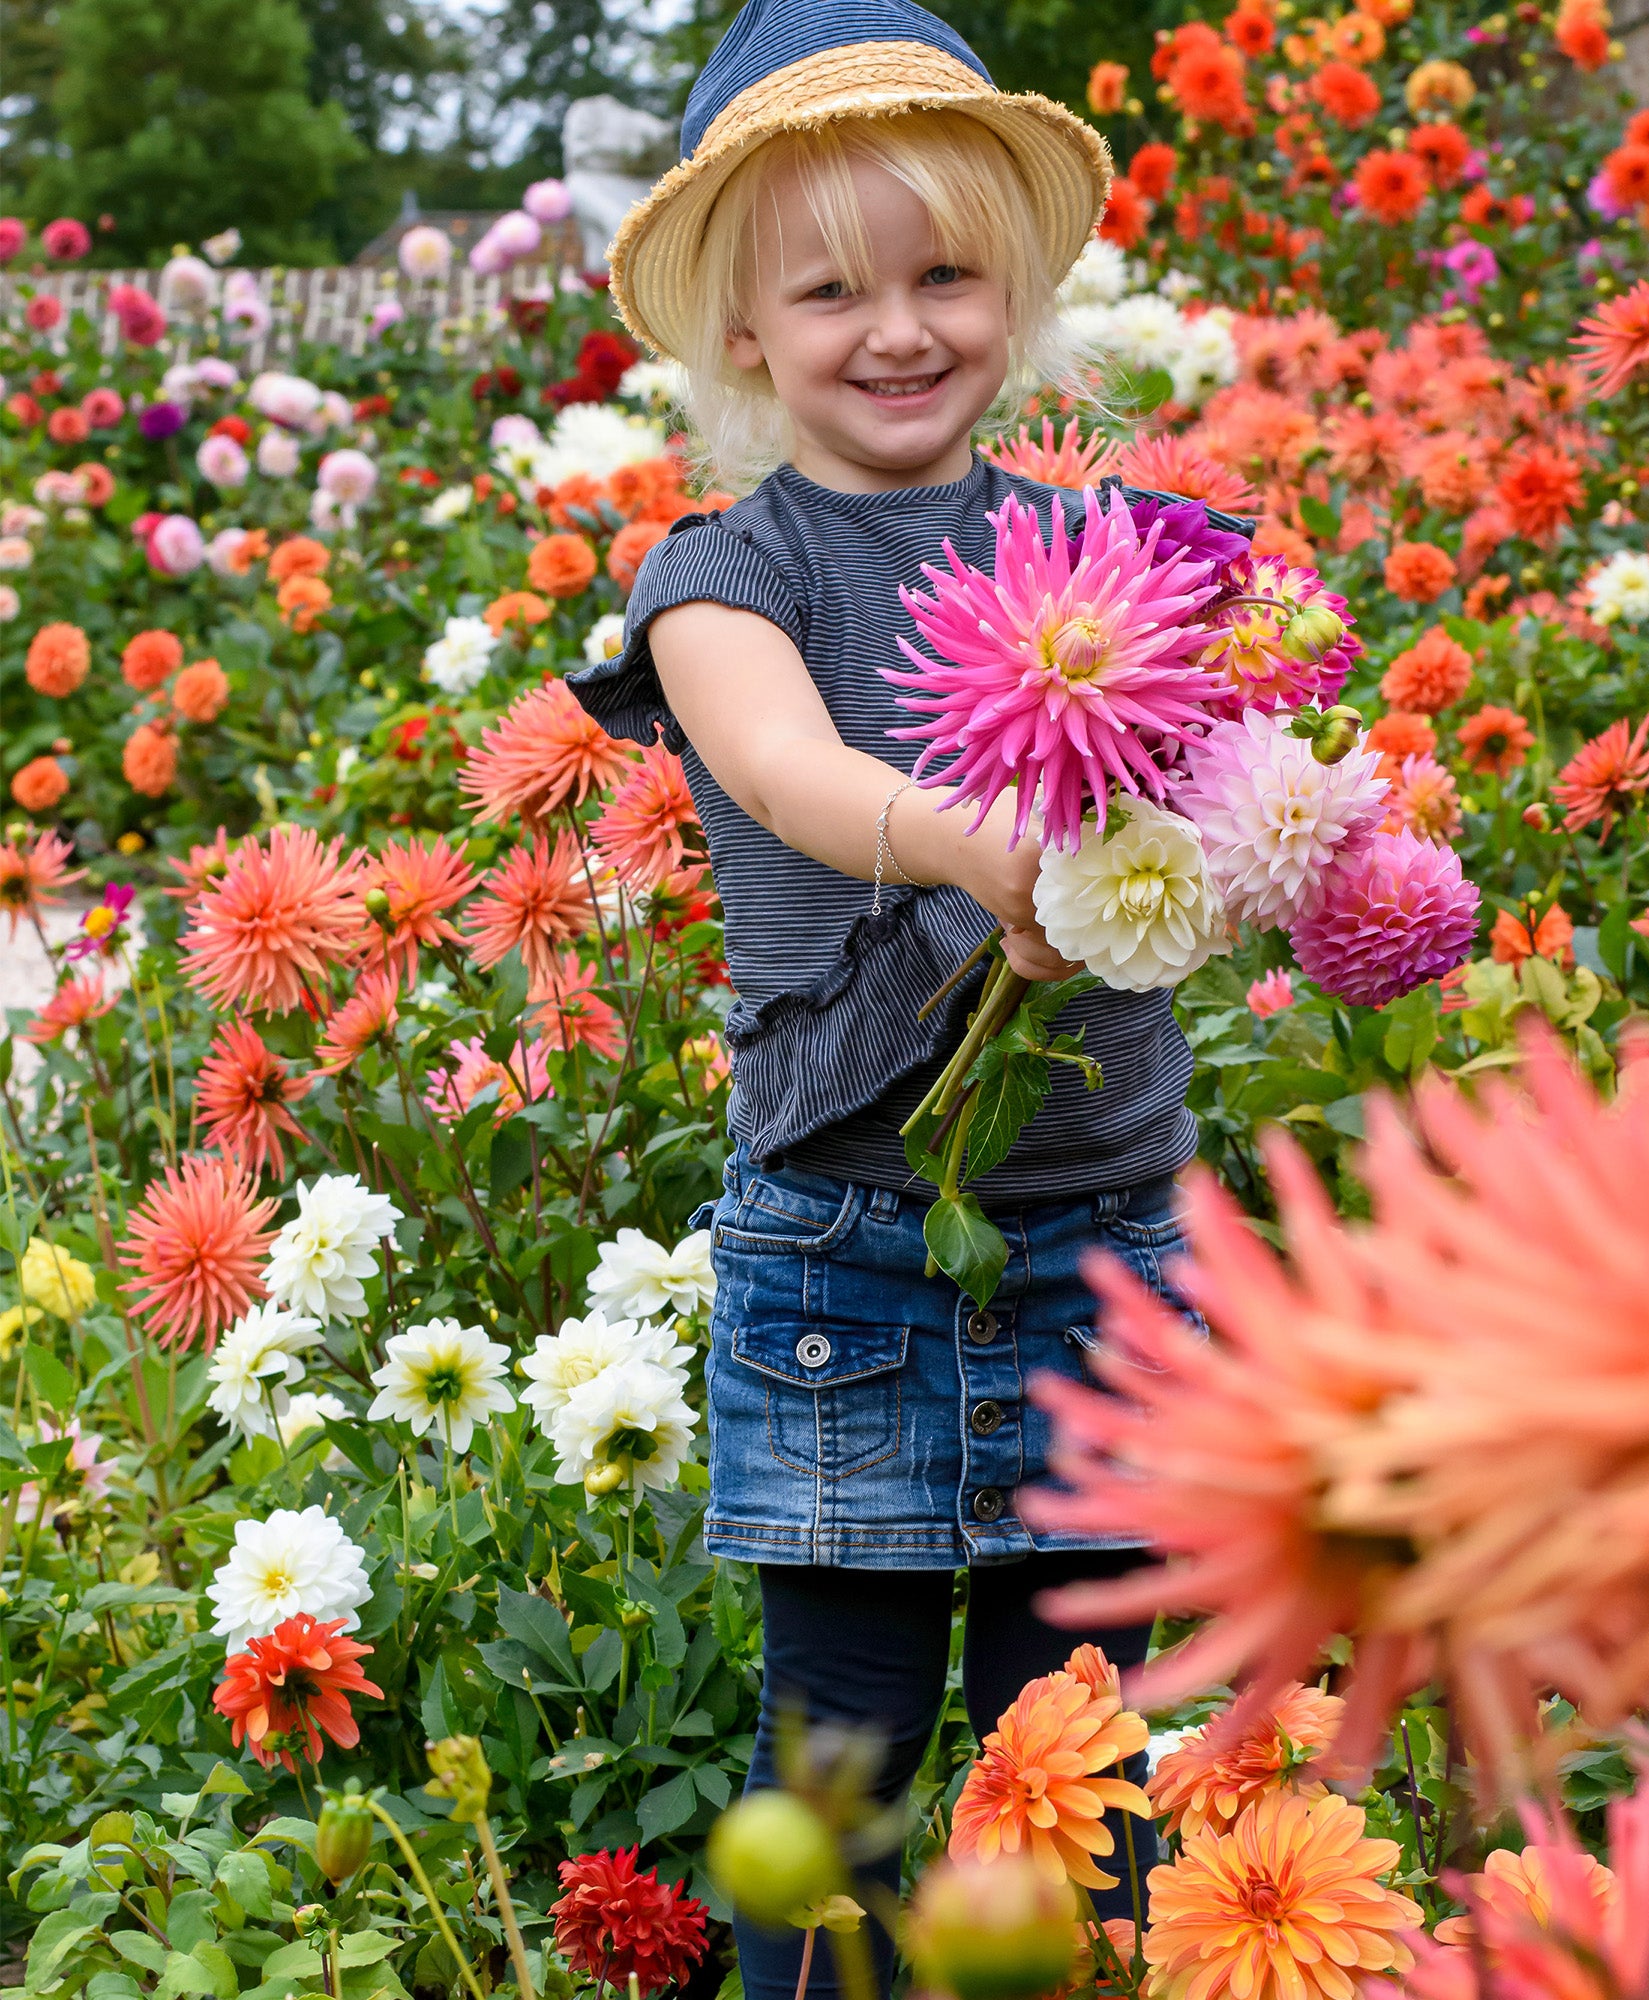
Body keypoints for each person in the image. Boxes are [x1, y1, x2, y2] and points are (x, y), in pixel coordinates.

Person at [565, 6, 1235, 1992]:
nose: (898, 328)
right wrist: (971, 842)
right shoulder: (718, 574)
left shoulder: (1105, 550)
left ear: (1014, 294)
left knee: (1081, 1769)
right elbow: (786, 774)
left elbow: (1205, 779)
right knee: (835, 1774)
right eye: (831, 288)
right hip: (851, 1247)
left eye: (945, 273)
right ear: (744, 338)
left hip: (1103, 1224)